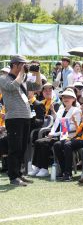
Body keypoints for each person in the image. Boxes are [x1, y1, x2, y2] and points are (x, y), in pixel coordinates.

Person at [0, 56, 42, 186]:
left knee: (23, 147)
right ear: (15, 65)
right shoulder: (3, 78)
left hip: (26, 117)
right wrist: (23, 73)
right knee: (15, 148)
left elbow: (37, 86)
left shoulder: (23, 78)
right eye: (23, 65)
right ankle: (13, 177)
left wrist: (37, 72)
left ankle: (20, 174)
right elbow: (12, 87)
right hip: (14, 118)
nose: (25, 67)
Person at [30, 89, 81, 178]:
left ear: (74, 99)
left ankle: (45, 168)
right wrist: (51, 132)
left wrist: (54, 134)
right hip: (60, 135)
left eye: (69, 97)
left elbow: (72, 128)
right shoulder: (61, 110)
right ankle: (38, 166)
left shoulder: (76, 111)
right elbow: (56, 124)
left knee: (47, 143)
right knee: (38, 141)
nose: (66, 99)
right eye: (64, 97)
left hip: (69, 136)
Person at [53, 89, 83, 181]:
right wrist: (71, 136)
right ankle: (63, 170)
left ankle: (68, 173)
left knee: (68, 145)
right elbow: (78, 129)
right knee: (57, 145)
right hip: (79, 137)